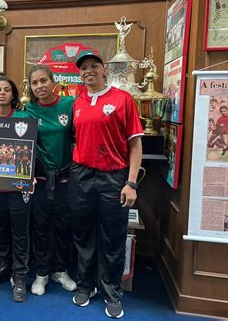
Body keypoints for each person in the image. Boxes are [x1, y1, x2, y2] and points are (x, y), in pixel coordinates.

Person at [69, 50, 143, 319]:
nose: (88, 71)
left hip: (114, 177)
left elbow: (135, 144)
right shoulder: (77, 102)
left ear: (104, 71)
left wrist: (131, 183)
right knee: (83, 234)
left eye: (93, 66)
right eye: (83, 68)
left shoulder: (123, 99)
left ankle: (111, 292)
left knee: (112, 236)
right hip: (82, 176)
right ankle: (85, 285)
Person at [24, 64, 77, 296]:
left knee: (64, 227)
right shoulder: (28, 111)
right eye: (34, 83)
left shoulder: (70, 105)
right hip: (41, 180)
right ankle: (42, 273)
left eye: (43, 81)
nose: (39, 86)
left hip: (67, 179)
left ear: (53, 81)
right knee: (41, 227)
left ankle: (60, 270)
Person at [0, 77, 32, 302]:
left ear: (13, 95)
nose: (2, 93)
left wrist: (31, 173)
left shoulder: (24, 118)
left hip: (18, 186)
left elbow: (34, 149)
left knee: (20, 232)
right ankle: (3, 266)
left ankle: (20, 275)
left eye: (6, 90)